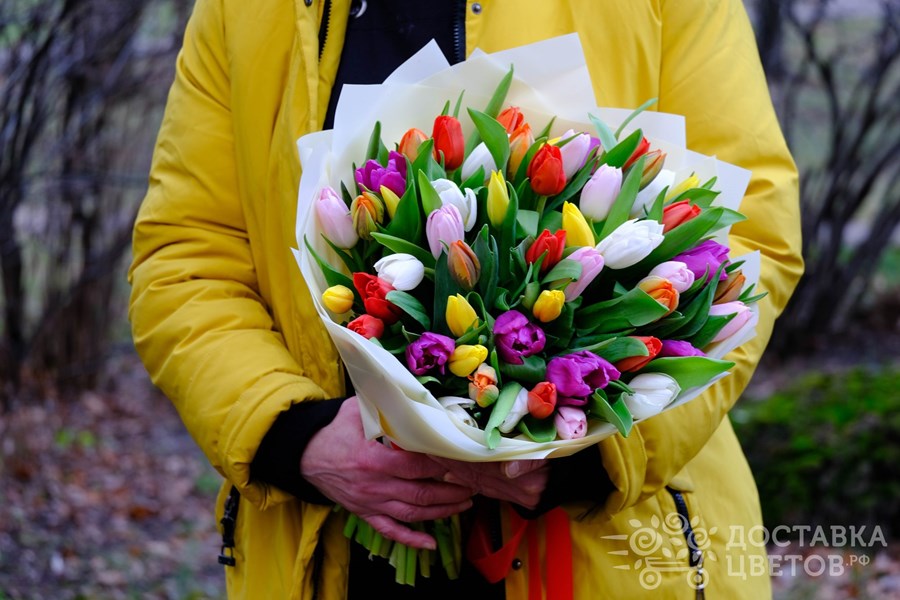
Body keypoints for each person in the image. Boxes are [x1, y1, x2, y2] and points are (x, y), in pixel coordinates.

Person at [128, 0, 803, 598]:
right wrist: (293, 436)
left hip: (603, 549)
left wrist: (592, 456)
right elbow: (189, 254)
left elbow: (746, 231)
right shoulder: (246, 10)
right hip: (329, 545)